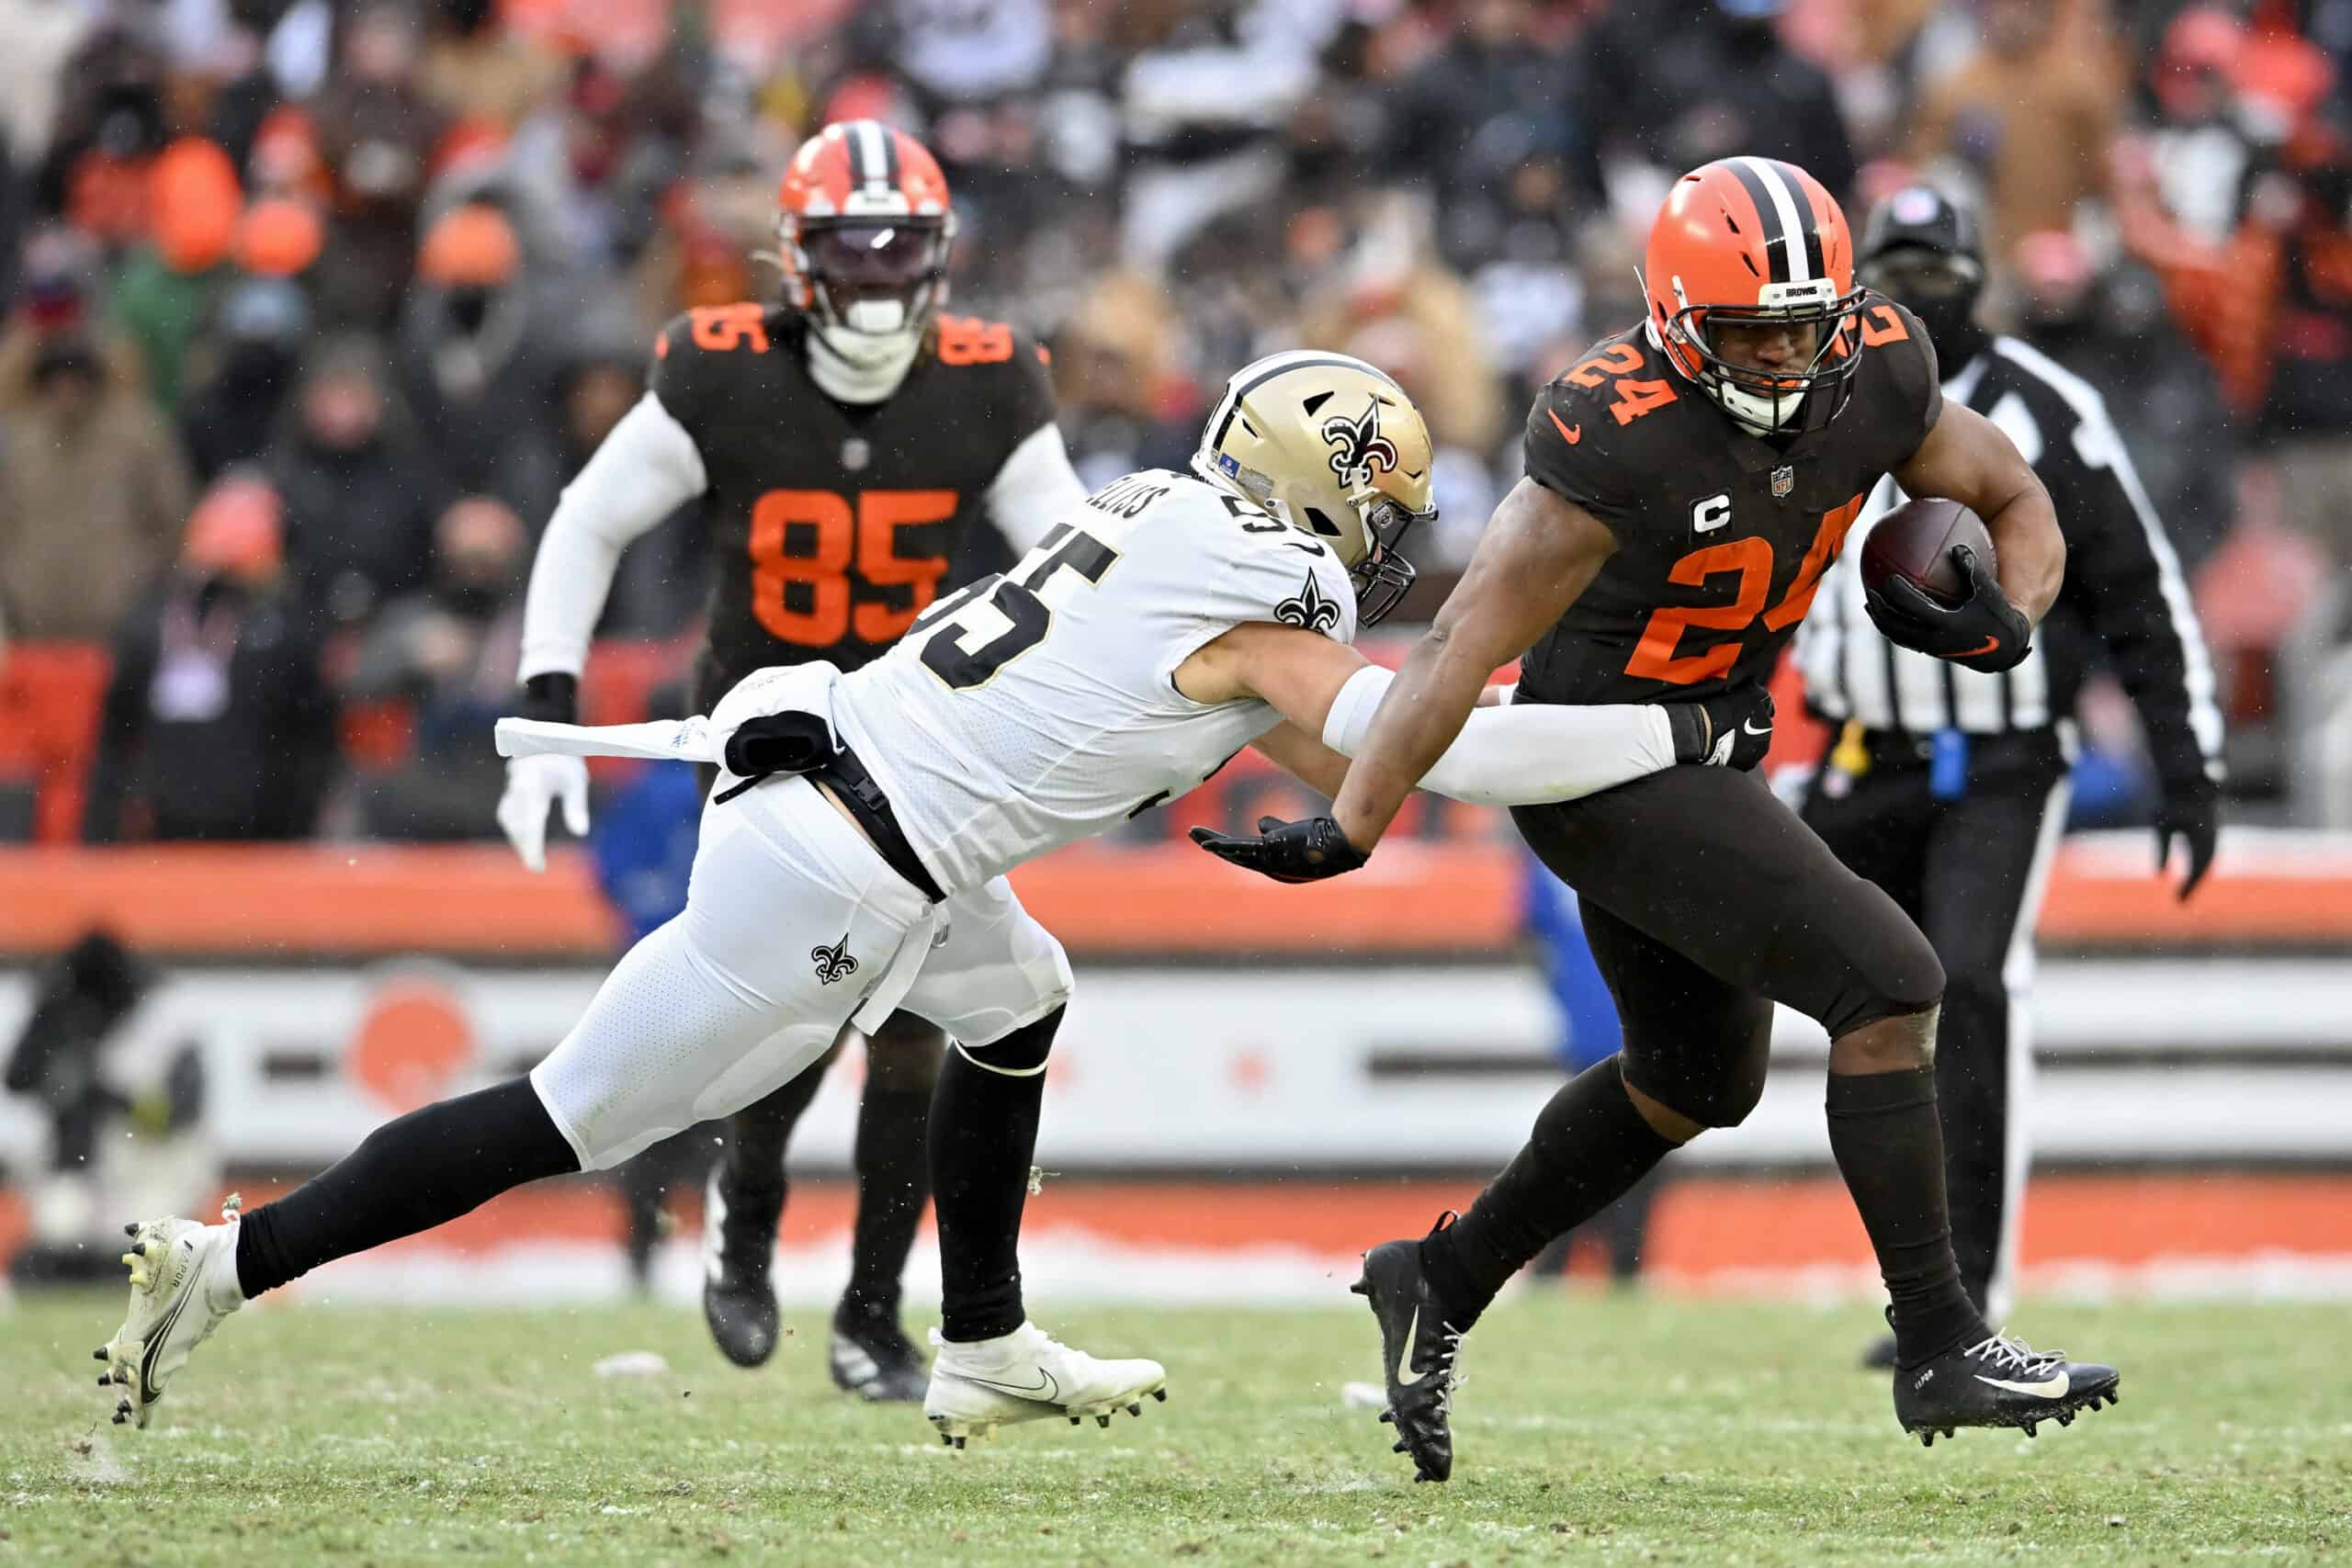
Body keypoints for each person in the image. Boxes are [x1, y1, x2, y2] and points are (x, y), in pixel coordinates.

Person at [95, 350, 1770, 1440]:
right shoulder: (1260, 602)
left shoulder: (1160, 507)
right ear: (1320, 485)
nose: (1399, 538)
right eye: (1385, 506)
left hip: (847, 795)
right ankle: (231, 1267)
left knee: (1017, 994)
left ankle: (979, 1337)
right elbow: (1432, 751)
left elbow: (1320, 702)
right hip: (845, 863)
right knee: (569, 1116)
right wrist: (1674, 722)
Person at [1193, 158, 2120, 1483]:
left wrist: (2008, 618)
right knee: (1895, 981)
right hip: (1597, 759)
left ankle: (1434, 1277)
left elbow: (2020, 499)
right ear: (1680, 320)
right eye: (1754, 332)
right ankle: (1940, 1340)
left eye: (1808, 325)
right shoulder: (1613, 433)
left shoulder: (1883, 365)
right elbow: (1461, 644)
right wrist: (1354, 820)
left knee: (1697, 1080)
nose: (1790, 359)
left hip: (1715, 750)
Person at [492, 122, 1090, 1401]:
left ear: (939, 257)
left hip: (925, 742)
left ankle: (873, 1313)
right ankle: (746, 1200)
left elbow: (1075, 558)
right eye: (848, 250)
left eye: (900, 251)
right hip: (765, 741)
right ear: (793, 258)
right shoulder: (720, 369)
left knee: (922, 1034)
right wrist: (547, 693)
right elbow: (589, 517)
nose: (876, 278)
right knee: (799, 1017)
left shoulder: (989, 381)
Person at [1792, 185, 2224, 1364]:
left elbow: (2137, 591)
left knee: (1969, 988)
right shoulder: (1804, 400)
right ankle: (1907, 1276)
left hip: (1998, 757)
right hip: (1854, 752)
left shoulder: (2045, 407)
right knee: (1821, 990)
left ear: (1979, 278)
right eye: (1899, 266)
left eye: (1936, 267)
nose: (1920, 289)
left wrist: (2188, 769)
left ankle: (1961, 1298)